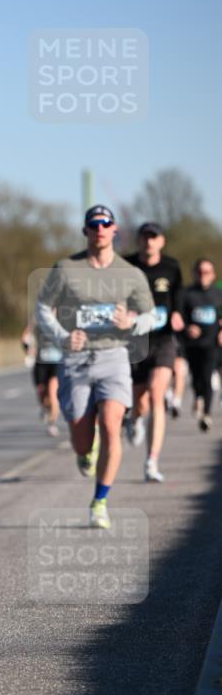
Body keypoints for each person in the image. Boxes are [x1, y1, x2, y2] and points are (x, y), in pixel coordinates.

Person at [36, 205, 155, 529]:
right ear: (85, 231)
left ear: (114, 230)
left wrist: (131, 321)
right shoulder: (65, 268)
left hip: (113, 357)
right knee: (80, 435)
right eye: (94, 224)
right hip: (75, 360)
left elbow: (151, 315)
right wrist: (62, 336)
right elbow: (43, 308)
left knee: (112, 424)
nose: (100, 228)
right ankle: (84, 451)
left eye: (106, 223)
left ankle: (100, 501)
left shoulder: (131, 274)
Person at [124, 223, 184, 482]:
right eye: (145, 238)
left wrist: (180, 314)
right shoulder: (126, 265)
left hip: (163, 339)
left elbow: (178, 296)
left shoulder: (172, 267)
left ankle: (151, 461)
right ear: (138, 241)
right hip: (135, 341)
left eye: (154, 238)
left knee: (157, 392)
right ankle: (136, 418)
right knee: (140, 400)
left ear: (162, 241)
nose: (149, 242)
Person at [181, 258, 222, 431]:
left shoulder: (218, 294)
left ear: (213, 275)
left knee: (207, 376)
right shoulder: (187, 294)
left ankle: (206, 413)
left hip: (212, 344)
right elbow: (179, 318)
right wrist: (187, 327)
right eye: (199, 272)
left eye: (206, 272)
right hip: (192, 345)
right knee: (196, 376)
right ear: (194, 274)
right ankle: (198, 397)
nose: (203, 275)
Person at [21, 322, 61, 437]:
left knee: (52, 393)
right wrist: (27, 348)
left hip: (56, 363)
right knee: (42, 392)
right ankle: (45, 408)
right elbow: (25, 337)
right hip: (41, 363)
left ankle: (52, 424)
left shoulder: (62, 320)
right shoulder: (38, 322)